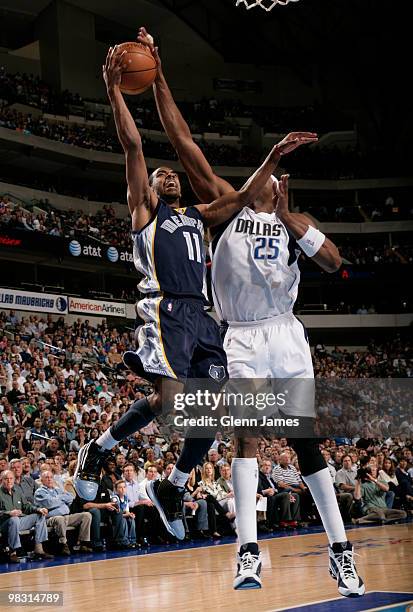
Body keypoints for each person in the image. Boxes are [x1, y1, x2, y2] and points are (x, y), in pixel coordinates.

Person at [137, 26, 364, 596]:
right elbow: (182, 137)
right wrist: (159, 72)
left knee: (307, 443)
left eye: (283, 177)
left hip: (287, 335)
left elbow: (336, 262)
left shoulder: (293, 221)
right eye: (273, 173)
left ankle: (341, 552)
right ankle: (247, 553)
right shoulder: (228, 202)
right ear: (261, 178)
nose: (278, 179)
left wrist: (290, 217)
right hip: (242, 335)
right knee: (247, 437)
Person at [73, 44, 312, 546]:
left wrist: (272, 156)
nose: (169, 174)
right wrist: (114, 90)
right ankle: (99, 448)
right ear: (154, 189)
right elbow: (135, 148)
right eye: (163, 176)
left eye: (172, 172)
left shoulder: (199, 217)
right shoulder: (146, 210)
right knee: (170, 398)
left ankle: (174, 484)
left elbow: (245, 197)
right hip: (164, 308)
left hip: (203, 318)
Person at [34, 471, 93, 555]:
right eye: (46, 477)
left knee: (86, 515)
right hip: (49, 518)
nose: (49, 479)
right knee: (60, 519)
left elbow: (71, 498)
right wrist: (61, 499)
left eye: (51, 477)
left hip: (66, 516)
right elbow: (50, 503)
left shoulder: (57, 490)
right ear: (42, 480)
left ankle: (83, 543)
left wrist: (57, 498)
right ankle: (63, 544)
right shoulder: (40, 492)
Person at [0, 470, 52, 562]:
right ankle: (13, 552)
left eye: (11, 478)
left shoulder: (17, 491)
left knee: (39, 516)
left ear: (14, 479)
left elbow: (26, 506)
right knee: (14, 519)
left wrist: (38, 509)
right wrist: (9, 513)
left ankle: (38, 549)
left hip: (19, 521)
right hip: (4, 523)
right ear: (1, 480)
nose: (9, 481)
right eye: (6, 479)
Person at [258, 459, 300, 528]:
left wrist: (289, 494)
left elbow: (277, 488)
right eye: (265, 465)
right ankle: (285, 520)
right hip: (269, 496)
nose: (267, 467)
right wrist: (267, 490)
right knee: (286, 494)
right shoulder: (259, 476)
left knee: (295, 495)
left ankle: (295, 520)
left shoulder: (270, 477)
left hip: (276, 494)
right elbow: (259, 490)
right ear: (261, 466)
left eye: (269, 466)